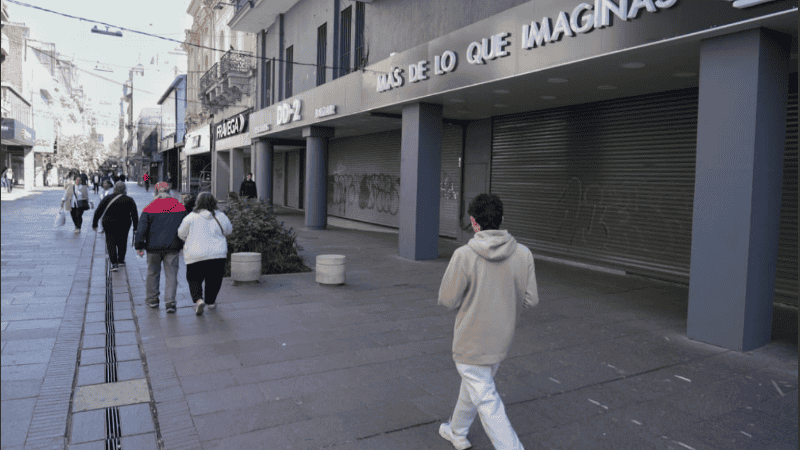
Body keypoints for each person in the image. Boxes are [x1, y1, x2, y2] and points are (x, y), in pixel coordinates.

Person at [437, 193, 538, 450]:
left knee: (486, 398)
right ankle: (457, 431)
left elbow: (447, 300)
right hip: (501, 340)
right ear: (502, 219)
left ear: (474, 222)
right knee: (474, 387)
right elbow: (531, 300)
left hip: (470, 339)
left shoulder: (464, 255)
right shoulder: (523, 254)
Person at [134, 182, 188, 313]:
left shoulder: (149, 207)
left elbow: (141, 230)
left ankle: (152, 300)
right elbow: (186, 227)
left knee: (152, 272)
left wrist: (139, 246)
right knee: (171, 274)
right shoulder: (179, 206)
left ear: (156, 192)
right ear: (169, 192)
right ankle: (170, 302)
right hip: (173, 246)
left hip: (153, 248)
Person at [178, 192, 232, 316]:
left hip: (195, 255)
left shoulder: (191, 217)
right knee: (214, 279)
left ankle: (198, 299)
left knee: (194, 279)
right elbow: (228, 231)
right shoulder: (221, 216)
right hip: (217, 255)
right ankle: (211, 301)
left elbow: (181, 233)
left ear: (198, 202)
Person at [92, 182, 138, 272]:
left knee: (110, 241)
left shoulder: (108, 198)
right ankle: (121, 260)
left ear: (115, 188)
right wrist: (136, 228)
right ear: (125, 189)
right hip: (124, 223)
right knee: (122, 241)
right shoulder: (129, 200)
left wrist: (95, 224)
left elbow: (98, 211)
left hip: (109, 223)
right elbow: (134, 215)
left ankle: (114, 263)